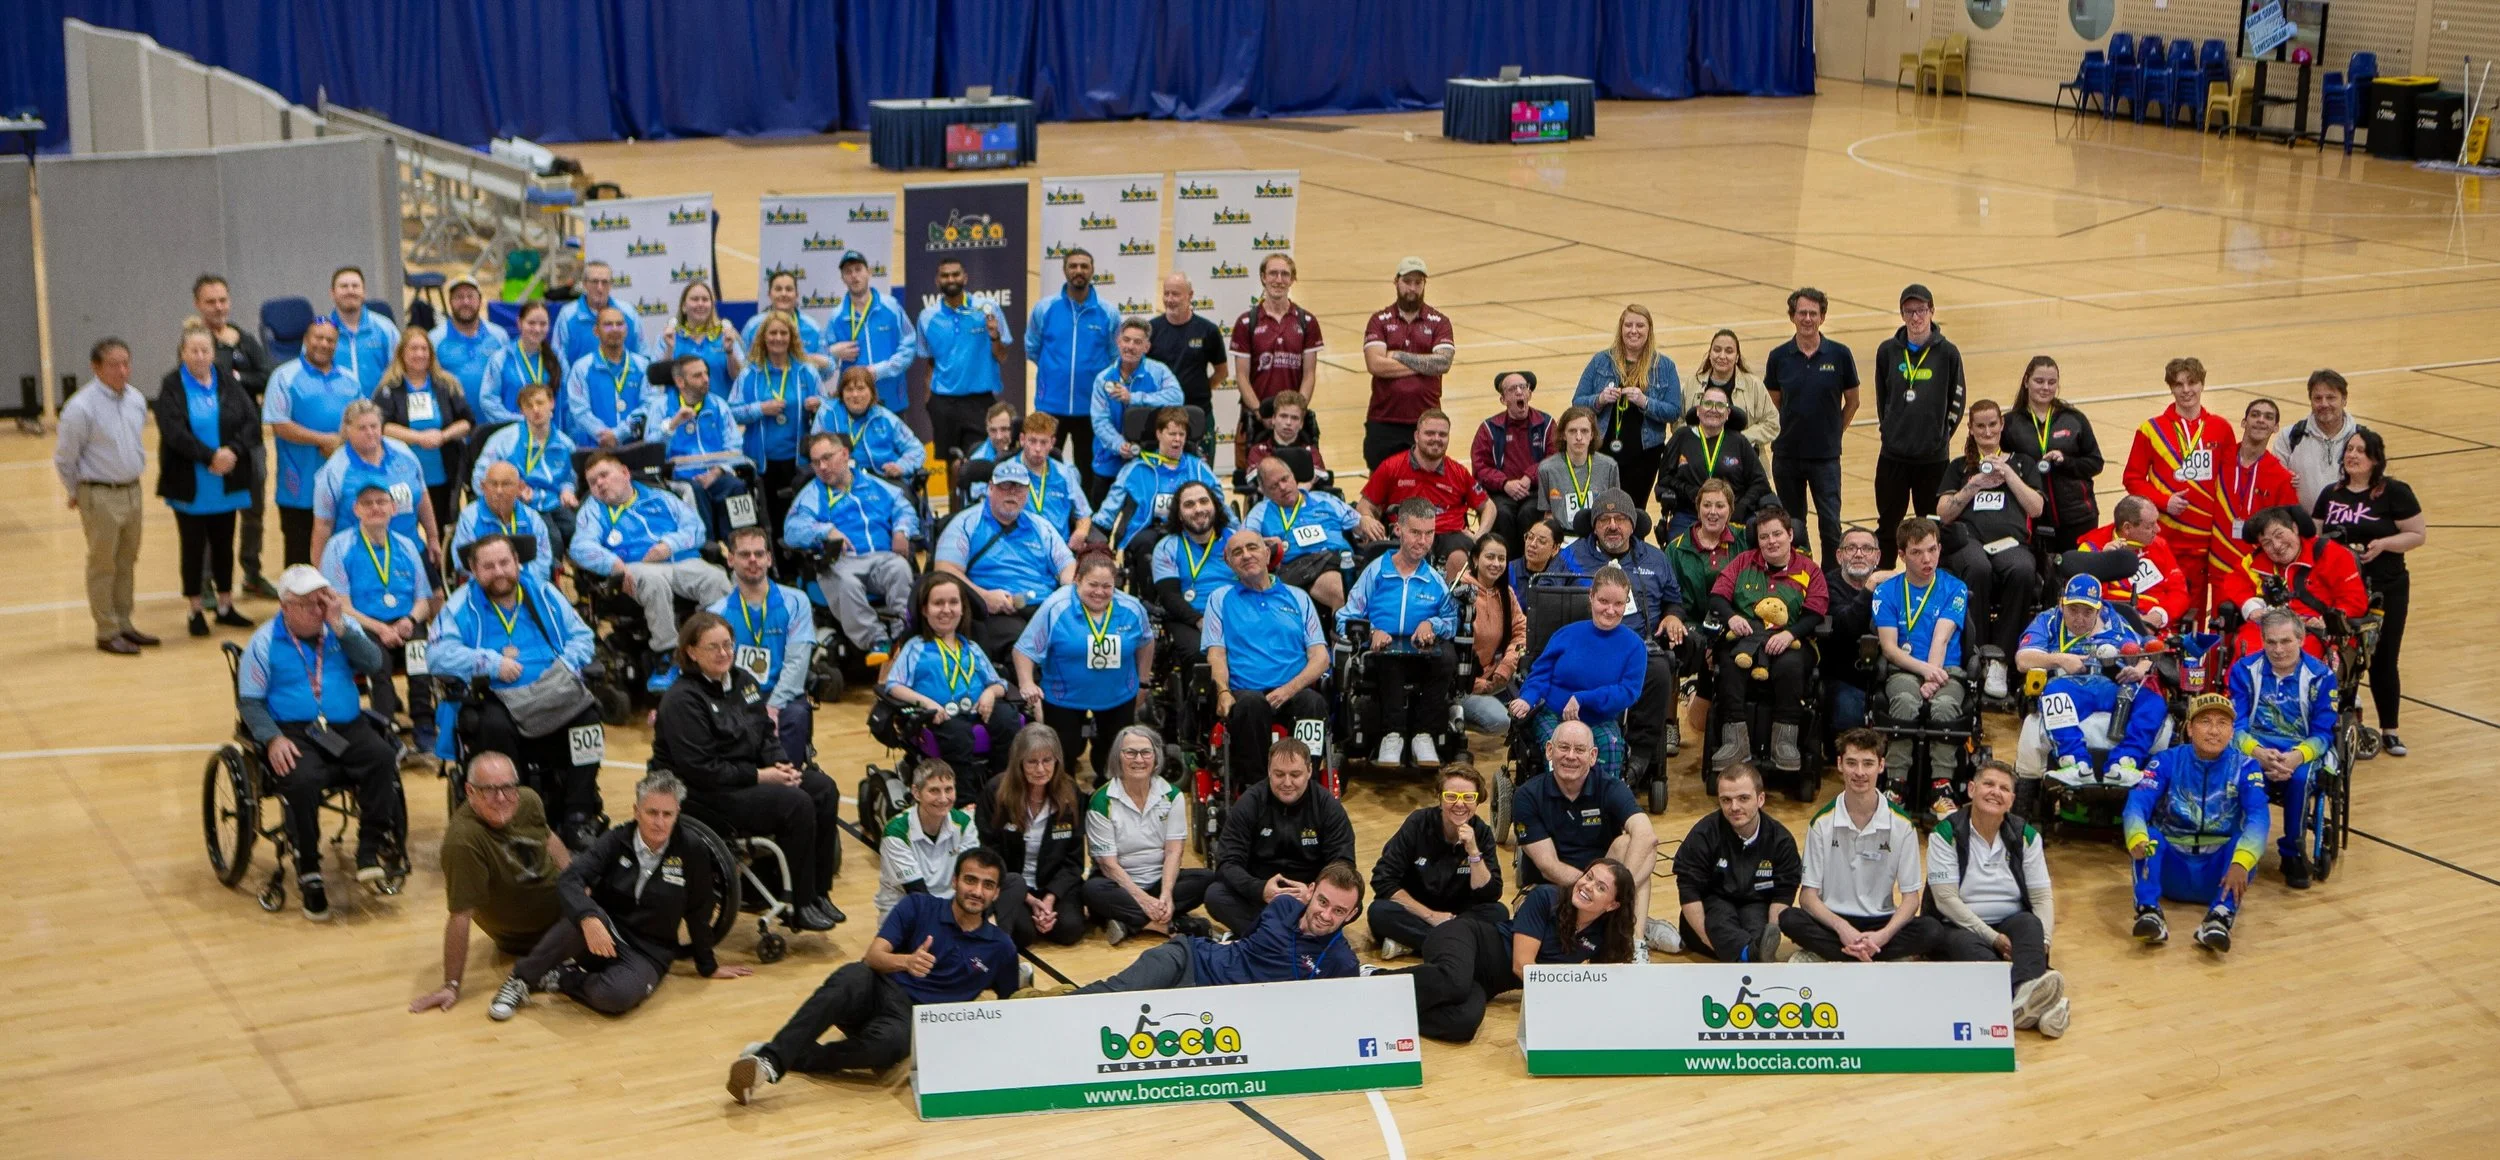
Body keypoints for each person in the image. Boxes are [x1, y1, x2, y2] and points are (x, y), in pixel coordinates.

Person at [725, 849, 1016, 1101]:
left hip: (910, 1021)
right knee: (851, 976)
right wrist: (907, 962)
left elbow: (1013, 1007)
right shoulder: (918, 905)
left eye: (987, 885)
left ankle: (791, 1054)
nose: (977, 891)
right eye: (970, 880)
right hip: (878, 988)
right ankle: (768, 1063)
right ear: (955, 881)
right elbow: (873, 956)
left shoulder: (1001, 948)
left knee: (889, 1046)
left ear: (997, 893)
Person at [487, 772, 750, 1020]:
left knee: (616, 998)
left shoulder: (691, 849)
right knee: (576, 919)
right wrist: (589, 918)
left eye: (667, 814)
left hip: (649, 952)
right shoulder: (615, 840)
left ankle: (560, 978)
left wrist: (708, 965)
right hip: (604, 932)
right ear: (636, 811)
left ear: (677, 813)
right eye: (652, 813)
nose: (659, 822)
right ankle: (519, 981)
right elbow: (570, 879)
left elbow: (699, 909)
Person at [655, 610, 842, 931]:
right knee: (796, 804)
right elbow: (702, 768)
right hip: (706, 793)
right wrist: (763, 776)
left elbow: (765, 733)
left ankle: (817, 893)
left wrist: (782, 765)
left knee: (823, 788)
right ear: (691, 652)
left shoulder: (744, 681)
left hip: (748, 776)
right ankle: (797, 903)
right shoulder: (681, 700)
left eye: (728, 645)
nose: (724, 653)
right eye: (713, 647)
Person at [236, 565, 403, 919]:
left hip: (346, 724)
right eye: (309, 604)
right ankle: (309, 866)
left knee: (383, 757)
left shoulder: (340, 626)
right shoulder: (264, 641)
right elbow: (250, 702)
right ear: (286, 607)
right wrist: (272, 739)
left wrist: (341, 627)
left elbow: (374, 663)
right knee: (301, 780)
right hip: (294, 731)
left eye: (323, 600)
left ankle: (370, 848)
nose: (319, 610)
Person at [430, 535, 604, 849]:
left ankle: (579, 816)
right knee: (491, 726)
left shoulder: (546, 594)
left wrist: (565, 663)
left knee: (588, 719)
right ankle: (516, 817)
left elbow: (582, 635)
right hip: (498, 696)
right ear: (473, 569)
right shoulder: (460, 605)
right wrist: (490, 662)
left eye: (504, 563)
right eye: (489, 566)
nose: (499, 572)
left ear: (517, 563)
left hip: (552, 690)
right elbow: (437, 655)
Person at [1397, 860, 1634, 1043]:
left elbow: (1604, 985)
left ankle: (1391, 1012)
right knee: (1454, 981)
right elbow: (1522, 966)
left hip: (1483, 983)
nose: (1587, 886)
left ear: (1612, 905)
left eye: (1600, 888)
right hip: (1465, 939)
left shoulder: (1604, 935)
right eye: (1588, 877)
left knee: (1465, 1023)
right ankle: (1377, 980)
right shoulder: (1546, 898)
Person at [408, 753, 568, 1015]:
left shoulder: (527, 800)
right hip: (529, 933)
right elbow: (460, 916)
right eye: (490, 791)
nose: (502, 798)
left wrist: (578, 883)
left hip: (560, 901)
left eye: (507, 787)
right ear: (470, 792)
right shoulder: (463, 841)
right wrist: (452, 984)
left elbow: (549, 839)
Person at [569, 451, 734, 690]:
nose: (599, 484)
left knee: (716, 578)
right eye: (593, 482)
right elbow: (580, 547)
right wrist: (614, 564)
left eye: (604, 475)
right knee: (653, 579)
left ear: (625, 473)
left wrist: (669, 545)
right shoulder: (593, 510)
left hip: (680, 561)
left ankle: (718, 646)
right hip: (635, 566)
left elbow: (696, 528)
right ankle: (668, 656)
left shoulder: (660, 497)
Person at [1510, 720, 1673, 958]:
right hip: (1550, 889)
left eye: (1579, 749)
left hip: (1600, 884)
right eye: (1563, 747)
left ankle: (1635, 945)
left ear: (1593, 755)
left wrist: (1610, 892)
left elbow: (1646, 835)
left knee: (1633, 845)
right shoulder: (1527, 795)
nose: (1570, 756)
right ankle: (1628, 920)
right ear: (1549, 751)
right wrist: (1596, 894)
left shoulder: (1610, 786)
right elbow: (1548, 866)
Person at [1927, 760, 2068, 1037]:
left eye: (2004, 788)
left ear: (2012, 800)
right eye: (1988, 784)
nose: (1996, 792)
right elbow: (1945, 901)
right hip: (1959, 924)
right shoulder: (1945, 833)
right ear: (1971, 789)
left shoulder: (2026, 835)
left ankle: (2023, 999)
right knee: (1974, 950)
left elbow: (2041, 897)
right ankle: (2046, 1006)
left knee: (2031, 925)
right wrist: (1992, 937)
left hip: (2010, 920)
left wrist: (2043, 944)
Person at [1778, 729, 1943, 962]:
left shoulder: (1903, 825)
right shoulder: (1821, 823)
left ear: (1881, 765)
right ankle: (1870, 956)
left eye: (1868, 764)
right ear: (1839, 764)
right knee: (1789, 919)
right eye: (1852, 763)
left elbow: (1911, 899)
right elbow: (1807, 897)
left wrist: (1883, 936)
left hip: (1881, 920)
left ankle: (1845, 954)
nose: (1859, 772)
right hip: (1833, 920)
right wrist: (1842, 928)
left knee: (1932, 930)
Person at [1080, 860, 1363, 993]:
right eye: (1322, 901)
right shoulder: (1282, 905)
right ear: (1311, 890)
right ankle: (1044, 1012)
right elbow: (1243, 943)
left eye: (1338, 911)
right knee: (1113, 996)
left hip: (1216, 1007)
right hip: (1190, 960)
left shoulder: (1340, 961)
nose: (1326, 915)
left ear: (1351, 915)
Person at [2125, 693, 2268, 952]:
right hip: (2172, 870)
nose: (2214, 731)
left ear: (2232, 731)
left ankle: (2220, 917)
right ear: (2189, 728)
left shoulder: (2247, 766)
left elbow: (2259, 818)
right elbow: (2137, 802)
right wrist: (2136, 836)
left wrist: (2241, 862)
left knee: (2243, 846)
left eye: (2223, 724)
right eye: (2205, 722)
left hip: (2219, 874)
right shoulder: (2166, 760)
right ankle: (2149, 912)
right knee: (2150, 836)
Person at [2312, 428, 2421, 756]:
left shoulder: (2395, 492)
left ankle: (2390, 730)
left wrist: (2383, 544)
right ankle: (2339, 725)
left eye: (2361, 451)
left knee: (2384, 658)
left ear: (2375, 459)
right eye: (2349, 449)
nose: (2353, 455)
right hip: (2341, 590)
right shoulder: (2331, 493)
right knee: (2343, 658)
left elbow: (2417, 534)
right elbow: (2315, 539)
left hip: (2386, 588)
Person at [1556, 488, 1685, 761]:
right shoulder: (1570, 556)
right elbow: (1546, 597)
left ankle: (1639, 757)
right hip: (1586, 646)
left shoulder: (1656, 559)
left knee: (1660, 670)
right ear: (1594, 526)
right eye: (1604, 519)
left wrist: (1673, 615)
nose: (1613, 526)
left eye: (1620, 519)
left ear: (1633, 524)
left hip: (1639, 646)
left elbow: (1674, 600)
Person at [1206, 528, 1333, 793]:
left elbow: (1320, 658)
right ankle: (1256, 789)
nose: (1246, 555)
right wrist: (1224, 692)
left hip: (1293, 690)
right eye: (1237, 552)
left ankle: (1304, 786)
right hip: (1246, 692)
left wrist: (1289, 689)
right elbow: (1216, 654)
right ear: (1229, 563)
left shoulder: (1298, 597)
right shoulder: (1219, 599)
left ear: (1266, 553)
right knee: (1251, 705)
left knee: (1314, 703)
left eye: (1252, 547)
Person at [155, 324, 259, 636]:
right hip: (192, 481)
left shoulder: (227, 380)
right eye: (193, 351)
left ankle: (225, 606)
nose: (200, 356)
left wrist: (232, 452)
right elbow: (173, 432)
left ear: (213, 353)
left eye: (205, 350)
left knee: (224, 544)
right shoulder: (172, 385)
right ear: (182, 354)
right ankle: (195, 609)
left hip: (226, 480)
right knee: (193, 547)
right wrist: (210, 456)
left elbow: (251, 421)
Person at [1709, 507, 1829, 774]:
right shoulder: (1742, 561)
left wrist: (1790, 634)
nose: (1771, 541)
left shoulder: (1810, 569)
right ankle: (1734, 741)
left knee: (1790, 666)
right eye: (1764, 537)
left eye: (1777, 534)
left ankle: (1785, 742)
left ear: (1790, 535)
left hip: (1791, 639)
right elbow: (1718, 596)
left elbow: (1816, 613)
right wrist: (1730, 618)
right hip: (1745, 636)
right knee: (1730, 662)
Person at [1936, 399, 2043, 700]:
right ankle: (1976, 653)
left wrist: (2008, 474)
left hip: (2010, 543)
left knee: (2023, 570)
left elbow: (2036, 508)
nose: (1987, 431)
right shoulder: (1959, 467)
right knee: (1978, 567)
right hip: (1969, 541)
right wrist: (1974, 485)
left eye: (1992, 424)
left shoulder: (2022, 463)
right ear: (1970, 429)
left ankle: (2000, 660)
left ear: (2001, 425)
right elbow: (1943, 512)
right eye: (1980, 426)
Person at [1344, 501, 1463, 767]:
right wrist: (1371, 632)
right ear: (1398, 530)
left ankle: (1424, 735)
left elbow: (1451, 620)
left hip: (1423, 657)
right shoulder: (1374, 572)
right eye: (1415, 533)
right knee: (1389, 656)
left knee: (1447, 657)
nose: (1423, 541)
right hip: (1382, 658)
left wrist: (1432, 624)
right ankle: (1393, 735)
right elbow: (1346, 616)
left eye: (1429, 533)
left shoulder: (1434, 580)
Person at [1014, 554, 1155, 779]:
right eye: (1093, 584)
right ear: (1077, 580)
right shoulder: (1056, 606)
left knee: (1113, 757)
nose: (1100, 592)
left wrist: (1143, 681)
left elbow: (1146, 642)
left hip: (1118, 695)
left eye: (1107, 586)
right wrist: (1027, 683)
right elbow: (1024, 649)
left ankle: (1106, 801)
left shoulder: (1131, 608)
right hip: (1065, 697)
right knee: (1063, 754)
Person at [320, 484, 436, 755]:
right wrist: (380, 628)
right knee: (377, 660)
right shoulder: (339, 547)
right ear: (356, 509)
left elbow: (423, 601)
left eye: (382, 502)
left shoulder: (407, 546)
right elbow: (341, 606)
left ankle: (424, 723)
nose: (375, 508)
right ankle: (386, 727)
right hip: (363, 624)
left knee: (420, 651)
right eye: (368, 503)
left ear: (393, 508)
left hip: (405, 621)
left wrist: (409, 619)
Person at [2015, 575, 2167, 781]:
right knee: (2053, 692)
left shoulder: (2117, 622)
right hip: (2069, 685)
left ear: (2099, 608)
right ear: (2062, 604)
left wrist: (2140, 668)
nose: (2080, 618)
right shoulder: (2048, 620)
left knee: (2155, 701)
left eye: (2088, 612)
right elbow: (2023, 660)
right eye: (2073, 610)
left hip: (2115, 685)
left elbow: (2147, 653)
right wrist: (2060, 659)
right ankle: (2075, 763)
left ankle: (2125, 762)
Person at [2229, 610, 2339, 889]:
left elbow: (2324, 733)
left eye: (2286, 641)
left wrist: (2295, 757)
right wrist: (2259, 754)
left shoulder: (2321, 677)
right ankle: (2242, 847)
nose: (2278, 650)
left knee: (2300, 779)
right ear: (2262, 641)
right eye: (2271, 642)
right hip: (2256, 746)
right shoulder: (2244, 670)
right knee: (2246, 775)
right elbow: (2236, 727)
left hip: (2301, 747)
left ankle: (2292, 851)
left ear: (2301, 640)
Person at [884, 575, 1025, 791]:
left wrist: (990, 693)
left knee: (1008, 719)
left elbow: (998, 683)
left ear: (962, 608)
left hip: (978, 709)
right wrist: (927, 703)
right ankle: (963, 800)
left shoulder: (971, 647)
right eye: (938, 603)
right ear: (924, 610)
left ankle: (1005, 788)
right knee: (958, 735)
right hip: (941, 715)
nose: (947, 609)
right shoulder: (916, 647)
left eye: (953, 603)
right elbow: (894, 684)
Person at [2123, 357, 2237, 623]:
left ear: (2202, 384)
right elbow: (2132, 478)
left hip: (2214, 540)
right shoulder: (2151, 430)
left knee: (2216, 613)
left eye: (2192, 383)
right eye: (2179, 384)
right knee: (2175, 610)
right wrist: (2164, 501)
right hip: (2170, 538)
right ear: (2170, 388)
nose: (2186, 390)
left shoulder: (2221, 428)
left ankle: (2209, 664)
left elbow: (2234, 476)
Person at [1508, 563, 1648, 780]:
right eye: (1603, 601)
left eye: (1618, 603)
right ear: (1591, 596)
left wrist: (1583, 699)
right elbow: (1540, 674)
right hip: (1553, 712)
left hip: (1599, 717)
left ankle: (1602, 805)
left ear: (1626, 604)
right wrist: (1528, 698)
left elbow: (1628, 692)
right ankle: (1557, 805)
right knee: (1559, 751)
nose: (1610, 610)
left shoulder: (1634, 646)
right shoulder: (1565, 635)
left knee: (1610, 752)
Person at [783, 432, 915, 661]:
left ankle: (903, 634)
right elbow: (792, 529)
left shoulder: (873, 484)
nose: (822, 467)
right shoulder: (812, 495)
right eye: (816, 462)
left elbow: (903, 506)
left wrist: (902, 530)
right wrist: (825, 531)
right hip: (840, 562)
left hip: (881, 557)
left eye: (827, 458)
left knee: (900, 568)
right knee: (846, 582)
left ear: (844, 454)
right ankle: (876, 640)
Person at [933, 458, 1078, 663]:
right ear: (990, 488)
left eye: (1019, 488)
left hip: (1043, 607)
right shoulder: (965, 524)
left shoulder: (1041, 527)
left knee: (1076, 643)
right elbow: (944, 570)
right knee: (1026, 649)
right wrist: (983, 597)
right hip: (996, 612)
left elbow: (1068, 567)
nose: (1012, 493)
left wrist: (1067, 592)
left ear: (1027, 493)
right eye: (1005, 486)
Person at [1208, 738, 1357, 935]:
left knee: (1354, 903)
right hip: (1261, 898)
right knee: (1215, 895)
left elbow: (1343, 865)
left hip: (1310, 900)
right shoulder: (1250, 802)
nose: (1287, 783)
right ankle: (1297, 939)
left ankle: (1267, 937)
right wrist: (1260, 889)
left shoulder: (1328, 807)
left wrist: (1314, 894)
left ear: (1309, 771)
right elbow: (1227, 862)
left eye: (1295, 775)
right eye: (1279, 774)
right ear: (1269, 771)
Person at [1084, 724, 1216, 943]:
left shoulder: (1172, 796)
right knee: (1092, 890)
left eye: (1146, 752)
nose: (1139, 759)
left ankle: (1130, 923)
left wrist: (1166, 894)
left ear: (1156, 758)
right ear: (1118, 757)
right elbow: (1108, 865)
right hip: (1119, 884)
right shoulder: (1101, 800)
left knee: (1209, 879)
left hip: (1158, 880)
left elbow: (1174, 852)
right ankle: (1165, 926)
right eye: (1130, 753)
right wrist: (1144, 900)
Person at [1874, 518, 1972, 809]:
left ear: (1940, 549)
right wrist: (1924, 672)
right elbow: (1890, 649)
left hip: (1946, 670)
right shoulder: (1887, 591)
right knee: (1904, 701)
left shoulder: (1955, 588)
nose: (1926, 559)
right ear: (1902, 555)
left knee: (1944, 707)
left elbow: (1941, 639)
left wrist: (1933, 677)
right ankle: (1896, 784)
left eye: (1932, 550)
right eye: (1917, 552)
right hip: (1904, 669)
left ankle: (1941, 787)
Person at [193, 274, 280, 598]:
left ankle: (252, 573)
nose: (218, 307)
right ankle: (206, 582)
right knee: (213, 515)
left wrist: (235, 376)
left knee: (254, 511)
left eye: (222, 300)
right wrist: (240, 377)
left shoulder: (243, 338)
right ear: (198, 305)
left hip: (251, 440)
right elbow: (207, 380)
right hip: (215, 445)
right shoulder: (195, 343)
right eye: (211, 302)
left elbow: (267, 375)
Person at [1871, 284, 1968, 569]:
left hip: (1933, 459)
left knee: (1932, 527)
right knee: (1888, 525)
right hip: (1893, 457)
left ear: (1931, 312)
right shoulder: (1887, 351)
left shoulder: (1948, 353)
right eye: (1909, 311)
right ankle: (1884, 585)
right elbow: (1882, 397)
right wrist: (1890, 430)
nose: (1916, 317)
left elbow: (1958, 399)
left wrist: (1941, 436)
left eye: (1921, 310)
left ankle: (1934, 584)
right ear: (1902, 314)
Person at [1367, 766, 1505, 960]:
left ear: (1477, 801)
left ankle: (1415, 944)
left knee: (1498, 913)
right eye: (1451, 796)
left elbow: (1490, 893)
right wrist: (1430, 916)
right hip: (1418, 910)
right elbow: (1383, 879)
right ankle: (1459, 947)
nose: (1459, 804)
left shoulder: (1481, 832)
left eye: (1468, 797)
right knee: (1379, 912)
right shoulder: (1417, 824)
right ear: (1440, 799)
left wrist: (1474, 852)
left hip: (1459, 915)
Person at [1765, 288, 1859, 569]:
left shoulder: (1840, 354)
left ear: (1823, 317)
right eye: (1802, 313)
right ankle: (1799, 576)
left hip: (1826, 459)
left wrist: (1833, 432)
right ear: (1792, 316)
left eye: (1813, 313)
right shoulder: (1779, 356)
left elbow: (1853, 401)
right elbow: (1775, 402)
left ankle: (1831, 579)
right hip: (1787, 456)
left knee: (1831, 525)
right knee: (1793, 525)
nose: (1807, 318)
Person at [708, 528, 820, 763]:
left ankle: (789, 782)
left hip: (781, 691)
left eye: (759, 554)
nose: (753, 560)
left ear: (769, 558)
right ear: (730, 559)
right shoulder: (717, 613)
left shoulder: (796, 602)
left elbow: (797, 663)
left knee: (796, 716)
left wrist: (774, 707)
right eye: (744, 554)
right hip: (738, 694)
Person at [1671, 763, 1800, 963]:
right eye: (1726, 800)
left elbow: (1784, 893)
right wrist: (1710, 941)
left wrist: (1771, 931)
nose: (1734, 807)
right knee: (1719, 919)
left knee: (1757, 927)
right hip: (1712, 907)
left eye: (1743, 798)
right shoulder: (1703, 834)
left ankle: (1750, 953)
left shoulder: (1780, 840)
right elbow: (1688, 891)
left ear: (1760, 799)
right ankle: (1750, 955)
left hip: (1756, 904)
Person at [263, 319, 363, 566]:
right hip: (299, 487)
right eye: (318, 338)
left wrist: (341, 442)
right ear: (306, 340)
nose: (324, 344)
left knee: (340, 557)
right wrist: (323, 439)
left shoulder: (350, 379)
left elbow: (362, 421)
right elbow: (279, 424)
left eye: (330, 340)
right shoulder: (284, 376)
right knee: (299, 559)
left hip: (342, 486)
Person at [979, 725, 1087, 947]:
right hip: (1011, 882)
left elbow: (1074, 860)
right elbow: (989, 853)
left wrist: (1049, 900)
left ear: (1057, 761)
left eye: (1047, 760)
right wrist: (1026, 897)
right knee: (1023, 934)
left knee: (1070, 929)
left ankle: (1044, 912)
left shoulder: (1071, 793)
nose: (1040, 769)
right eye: (1032, 762)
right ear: (1019, 763)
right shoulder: (995, 792)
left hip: (1052, 884)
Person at [2216, 506, 2369, 660]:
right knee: (2245, 649)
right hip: (2268, 627)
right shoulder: (2256, 561)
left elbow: (2354, 600)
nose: (2276, 545)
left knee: (2295, 656)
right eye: (2267, 543)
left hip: (2315, 631)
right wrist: (2250, 607)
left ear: (2295, 528)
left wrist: (2328, 622)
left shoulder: (2332, 554)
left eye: (2279, 535)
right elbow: (2234, 582)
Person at [1572, 304, 1682, 512]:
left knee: (1634, 510)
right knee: (1602, 509)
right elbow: (1577, 402)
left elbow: (1674, 410)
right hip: (1602, 450)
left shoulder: (1665, 366)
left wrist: (1645, 402)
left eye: (1640, 326)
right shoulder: (1601, 361)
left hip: (1645, 454)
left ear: (1649, 330)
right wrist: (1600, 399)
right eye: (1628, 325)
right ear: (1620, 328)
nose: (1634, 331)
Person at [1663, 480, 1750, 743]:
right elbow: (1668, 595)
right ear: (1697, 508)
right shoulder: (1676, 549)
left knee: (1701, 724)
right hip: (1691, 624)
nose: (1713, 512)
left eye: (1720, 506)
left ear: (1731, 510)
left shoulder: (1744, 541)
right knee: (1670, 649)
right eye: (1707, 505)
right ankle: (1670, 723)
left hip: (1732, 625)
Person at [309, 400, 440, 570]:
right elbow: (323, 525)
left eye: (374, 426)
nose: (370, 433)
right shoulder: (334, 472)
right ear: (348, 430)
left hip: (409, 552)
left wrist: (432, 537)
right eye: (362, 428)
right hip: (358, 561)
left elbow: (422, 497)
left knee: (436, 596)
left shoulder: (405, 454)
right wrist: (321, 571)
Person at [1246, 454, 1374, 620]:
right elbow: (1243, 542)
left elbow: (1358, 523)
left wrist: (1365, 521)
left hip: (1344, 560)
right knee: (1343, 592)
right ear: (1264, 492)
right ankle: (1342, 643)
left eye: (1285, 479)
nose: (1283, 487)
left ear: (1293, 475)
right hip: (1302, 566)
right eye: (1274, 486)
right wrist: (1264, 543)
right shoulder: (1260, 512)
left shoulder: (1325, 499)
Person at [1028, 249, 1119, 487]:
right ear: (1065, 270)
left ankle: (1086, 521)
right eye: (1073, 266)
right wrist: (1055, 373)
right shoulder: (1044, 309)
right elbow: (1033, 348)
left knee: (1088, 470)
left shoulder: (1108, 313)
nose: (1079, 271)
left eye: (1084, 266)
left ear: (1092, 270)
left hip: (1090, 408)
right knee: (1044, 466)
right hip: (1050, 406)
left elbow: (1114, 356)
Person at [373, 327, 477, 529]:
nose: (419, 354)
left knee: (442, 528)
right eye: (413, 349)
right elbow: (381, 426)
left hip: (443, 473)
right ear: (402, 353)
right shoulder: (389, 388)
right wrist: (418, 438)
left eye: (424, 349)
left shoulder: (447, 384)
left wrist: (443, 436)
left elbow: (467, 421)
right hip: (401, 476)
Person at [643, 354, 751, 544]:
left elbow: (734, 446)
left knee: (737, 486)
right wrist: (672, 424)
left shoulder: (718, 405)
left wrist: (717, 472)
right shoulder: (661, 407)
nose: (706, 379)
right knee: (694, 491)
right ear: (680, 381)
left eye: (706, 374)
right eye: (697, 376)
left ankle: (740, 545)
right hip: (679, 477)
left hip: (716, 473)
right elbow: (652, 450)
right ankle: (708, 548)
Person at [1362, 257, 1458, 468]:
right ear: (1396, 282)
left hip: (1426, 422)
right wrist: (1424, 365)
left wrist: (1398, 355)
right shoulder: (1379, 320)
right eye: (1407, 282)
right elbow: (1375, 365)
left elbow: (1442, 364)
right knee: (1381, 488)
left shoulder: (1439, 322)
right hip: (1384, 419)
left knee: (1424, 486)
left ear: (1424, 284)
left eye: (1418, 282)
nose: (1412, 288)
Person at [730, 310, 821, 529]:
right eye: (772, 333)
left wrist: (817, 405)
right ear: (763, 338)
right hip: (761, 463)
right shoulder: (750, 374)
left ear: (792, 338)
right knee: (766, 522)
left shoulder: (806, 372)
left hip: (798, 462)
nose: (778, 338)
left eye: (783, 333)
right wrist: (760, 409)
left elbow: (827, 409)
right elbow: (732, 412)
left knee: (796, 518)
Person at [2001, 355, 2102, 553]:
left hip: (2078, 517)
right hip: (2033, 520)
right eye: (2039, 381)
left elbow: (2096, 462)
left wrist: (2066, 461)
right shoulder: (2010, 423)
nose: (2045, 387)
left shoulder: (2074, 419)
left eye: (2052, 382)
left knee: (2079, 576)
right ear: (2026, 381)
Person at [918, 257, 1016, 455]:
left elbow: (1002, 357)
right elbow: (930, 360)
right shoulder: (927, 316)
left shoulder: (987, 309)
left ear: (965, 277)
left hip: (979, 401)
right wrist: (929, 400)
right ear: (937, 281)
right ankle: (955, 489)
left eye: (956, 274)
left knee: (979, 458)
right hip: (943, 402)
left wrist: (995, 336)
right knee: (951, 462)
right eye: (945, 275)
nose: (951, 279)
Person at [467, 382, 578, 555]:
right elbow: (479, 480)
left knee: (577, 533)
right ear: (521, 411)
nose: (535, 410)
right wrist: (507, 494)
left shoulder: (566, 444)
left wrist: (567, 490)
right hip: (518, 504)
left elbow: (569, 478)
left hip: (553, 501)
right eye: (529, 405)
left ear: (552, 404)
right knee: (552, 541)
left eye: (540, 403)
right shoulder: (503, 441)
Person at [1095, 406, 1221, 557]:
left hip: (1191, 529)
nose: (1178, 439)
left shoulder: (1199, 468)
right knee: (1146, 547)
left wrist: (1237, 531)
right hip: (1148, 531)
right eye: (1172, 434)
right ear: (1159, 434)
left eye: (1182, 434)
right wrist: (1096, 533)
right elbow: (1109, 509)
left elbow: (1221, 507)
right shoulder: (1136, 468)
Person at [2206, 397, 2304, 587]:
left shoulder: (2282, 477)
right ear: (2244, 422)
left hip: (2256, 571)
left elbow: (2287, 527)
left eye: (2268, 417)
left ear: (2275, 428)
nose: (2261, 420)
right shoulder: (2219, 458)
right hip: (2218, 564)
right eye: (2255, 415)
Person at [1656, 381, 1770, 543]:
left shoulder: (1739, 442)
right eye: (1708, 404)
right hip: (1690, 513)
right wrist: (1690, 491)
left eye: (1720, 405)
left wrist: (1740, 507)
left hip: (1732, 515)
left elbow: (1760, 483)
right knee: (1676, 551)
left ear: (1728, 413)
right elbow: (1664, 479)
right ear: (1698, 410)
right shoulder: (1681, 437)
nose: (1713, 410)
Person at [1231, 252, 1325, 446]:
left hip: (1292, 421)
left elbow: (1309, 374)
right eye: (1273, 273)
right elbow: (1242, 376)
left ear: (1292, 280)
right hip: (1256, 419)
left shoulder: (1307, 322)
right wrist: (1261, 412)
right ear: (1263, 277)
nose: (1279, 280)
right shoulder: (1246, 322)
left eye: (1285, 274)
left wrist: (1295, 412)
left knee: (1293, 475)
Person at [1088, 317, 1186, 501]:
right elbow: (1100, 421)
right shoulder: (1103, 379)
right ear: (1118, 342)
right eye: (1126, 340)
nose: (1130, 346)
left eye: (1137, 342)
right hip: (1109, 461)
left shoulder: (1159, 372)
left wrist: (1134, 398)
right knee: (1100, 523)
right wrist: (1119, 445)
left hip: (1150, 460)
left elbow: (1177, 397)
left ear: (1146, 347)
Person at [1148, 480, 1238, 666]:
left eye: (1204, 501)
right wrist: (1200, 621)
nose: (1198, 509)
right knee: (1202, 655)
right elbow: (1170, 596)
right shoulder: (1167, 547)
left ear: (1215, 505)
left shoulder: (1235, 539)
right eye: (1189, 505)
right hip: (1191, 619)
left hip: (1238, 614)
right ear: (1179, 515)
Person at [873, 760, 978, 919]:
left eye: (948, 790)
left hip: (952, 907)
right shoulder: (896, 832)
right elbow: (917, 893)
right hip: (906, 911)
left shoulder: (964, 824)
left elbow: (971, 879)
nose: (943, 799)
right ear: (916, 793)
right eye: (934, 791)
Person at [968, 412, 1093, 545]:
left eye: (1043, 442)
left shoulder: (1065, 473)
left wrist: (1081, 532)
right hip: (1018, 548)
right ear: (1022, 440)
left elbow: (1084, 514)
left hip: (1058, 550)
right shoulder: (1005, 471)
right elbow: (989, 513)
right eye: (1032, 441)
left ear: (1052, 443)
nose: (1038, 449)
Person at [1456, 535, 1528, 767]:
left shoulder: (1505, 593)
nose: (1496, 563)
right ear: (1475, 559)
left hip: (1498, 680)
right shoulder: (1459, 592)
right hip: (1464, 685)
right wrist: (1472, 683)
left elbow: (1521, 633)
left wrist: (1507, 666)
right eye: (1490, 557)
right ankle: (1453, 715)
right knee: (1500, 721)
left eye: (1501, 558)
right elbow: (1450, 646)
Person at [825, 250, 920, 414]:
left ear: (868, 272)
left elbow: (909, 346)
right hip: (855, 402)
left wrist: (880, 370)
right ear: (843, 278)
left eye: (858, 269)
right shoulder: (837, 317)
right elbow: (824, 365)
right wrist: (832, 352)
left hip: (891, 398)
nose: (854, 276)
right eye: (848, 272)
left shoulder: (891, 306)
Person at [2076, 496, 2188, 632]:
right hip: (2114, 628)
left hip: (2160, 625)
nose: (2158, 529)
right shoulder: (2091, 550)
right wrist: (2102, 563)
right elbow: (2090, 602)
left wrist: (2159, 615)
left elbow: (2179, 591)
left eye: (2156, 523)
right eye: (2150, 526)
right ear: (2127, 528)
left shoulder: (2159, 544)